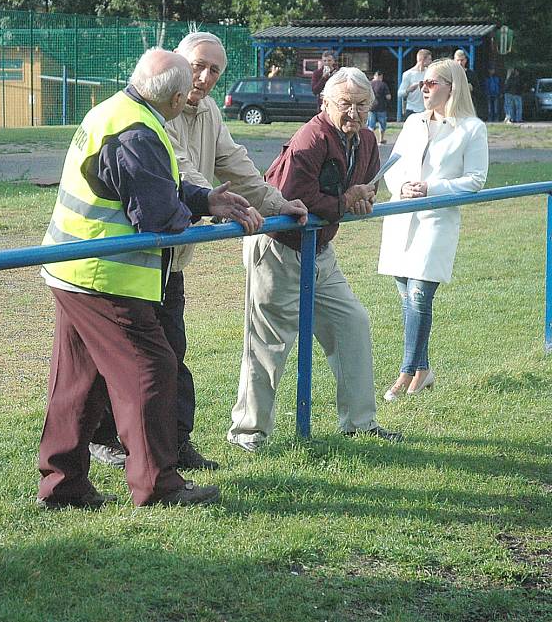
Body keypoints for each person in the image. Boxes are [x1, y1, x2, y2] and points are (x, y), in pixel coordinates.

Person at [37, 48, 264, 509]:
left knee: (77, 380)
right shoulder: (139, 131)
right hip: (105, 276)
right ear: (178, 98)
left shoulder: (116, 110)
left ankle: (62, 487)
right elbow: (158, 216)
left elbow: (151, 183)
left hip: (69, 269)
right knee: (151, 370)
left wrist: (205, 201)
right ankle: (157, 484)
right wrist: (193, 213)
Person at [87, 32, 308, 471]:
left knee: (172, 352)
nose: (203, 78)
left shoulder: (207, 111)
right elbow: (182, 172)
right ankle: (106, 441)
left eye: (214, 71)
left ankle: (174, 442)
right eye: (196, 67)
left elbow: (235, 164)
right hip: (123, 259)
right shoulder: (148, 113)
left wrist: (275, 202)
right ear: (172, 65)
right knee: (119, 358)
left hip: (169, 261)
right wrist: (215, 202)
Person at [227, 67, 404, 451]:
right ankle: (248, 432)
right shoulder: (310, 137)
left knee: (352, 323)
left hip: (320, 252)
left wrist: (362, 199)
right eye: (344, 104)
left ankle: (359, 423)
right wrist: (346, 201)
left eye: (361, 105)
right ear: (325, 103)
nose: (353, 113)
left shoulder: (368, 140)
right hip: (278, 247)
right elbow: (290, 199)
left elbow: (362, 187)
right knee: (269, 342)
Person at [378, 59, 488, 400]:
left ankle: (406, 372)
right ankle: (423, 370)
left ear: (450, 88)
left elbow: (475, 180)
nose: (422, 88)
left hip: (436, 222)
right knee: (406, 296)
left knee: (419, 296)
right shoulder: (412, 122)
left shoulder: (472, 128)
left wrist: (431, 188)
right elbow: (392, 167)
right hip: (401, 217)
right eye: (422, 84)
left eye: (430, 83)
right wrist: (402, 187)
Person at [398, 49, 432, 119]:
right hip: (411, 110)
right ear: (422, 59)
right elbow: (400, 93)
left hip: (425, 110)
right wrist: (408, 90)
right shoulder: (408, 74)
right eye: (429, 59)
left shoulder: (429, 73)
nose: (431, 62)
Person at [453, 49, 485, 120]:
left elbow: (479, 91)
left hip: (468, 105)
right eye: (458, 60)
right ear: (454, 60)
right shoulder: (451, 74)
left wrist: (471, 88)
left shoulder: (471, 74)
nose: (460, 63)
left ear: (465, 60)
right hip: (455, 105)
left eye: (462, 60)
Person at [367, 70, 391, 145]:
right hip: (381, 107)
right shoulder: (383, 85)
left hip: (371, 108)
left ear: (374, 76)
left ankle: (370, 140)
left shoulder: (369, 84)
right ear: (381, 76)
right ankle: (381, 139)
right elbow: (388, 97)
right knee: (382, 124)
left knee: (371, 125)